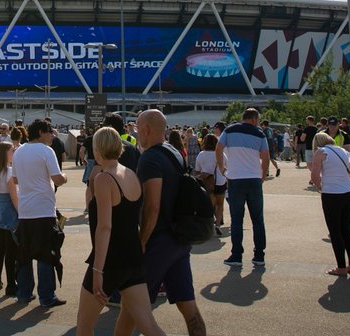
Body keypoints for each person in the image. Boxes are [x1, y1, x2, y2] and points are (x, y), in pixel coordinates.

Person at [76, 126, 166, 336]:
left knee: (84, 325)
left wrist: (98, 270)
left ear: (97, 149)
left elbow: (105, 226)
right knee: (148, 325)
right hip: (133, 257)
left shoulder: (104, 179)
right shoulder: (131, 175)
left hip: (110, 260)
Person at [136, 109, 206, 335]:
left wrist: (142, 240)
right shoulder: (174, 152)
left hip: (159, 240)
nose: (137, 134)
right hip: (180, 237)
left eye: (138, 129)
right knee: (188, 306)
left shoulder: (149, 158)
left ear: (146, 129)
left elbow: (152, 205)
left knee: (133, 306)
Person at [11, 118, 68, 308]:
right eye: (50, 131)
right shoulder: (46, 151)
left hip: (25, 210)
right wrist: (65, 177)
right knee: (46, 254)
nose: (52, 135)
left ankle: (24, 293)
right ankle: (46, 296)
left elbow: (16, 180)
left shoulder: (19, 152)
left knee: (25, 253)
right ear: (42, 132)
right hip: (44, 209)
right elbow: (57, 179)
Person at [217, 107, 269, 269]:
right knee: (257, 219)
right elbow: (266, 157)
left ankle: (237, 255)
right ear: (254, 119)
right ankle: (259, 255)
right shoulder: (260, 134)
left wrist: (222, 168)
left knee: (237, 219)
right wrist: (262, 176)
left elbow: (218, 148)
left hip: (235, 179)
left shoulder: (229, 130)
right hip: (253, 179)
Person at [311, 131, 350, 275]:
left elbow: (314, 175)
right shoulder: (343, 151)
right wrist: (344, 181)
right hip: (348, 193)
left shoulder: (321, 152)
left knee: (335, 231)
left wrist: (320, 187)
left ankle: (341, 267)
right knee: (346, 230)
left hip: (331, 194)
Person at [0, 140, 19, 296]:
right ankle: (11, 284)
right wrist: (21, 213)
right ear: (5, 154)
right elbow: (14, 198)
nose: (14, 152)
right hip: (9, 210)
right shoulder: (10, 172)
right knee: (10, 250)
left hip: (0, 208)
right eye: (12, 150)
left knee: (0, 247)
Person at [193, 134, 225, 236]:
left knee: (209, 205)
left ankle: (209, 225)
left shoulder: (201, 155)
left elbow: (196, 171)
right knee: (220, 204)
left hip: (207, 183)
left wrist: (203, 174)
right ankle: (218, 224)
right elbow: (226, 167)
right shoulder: (220, 154)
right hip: (220, 181)